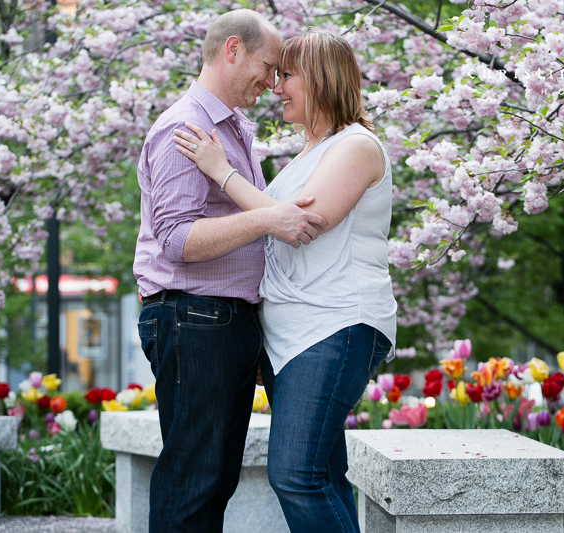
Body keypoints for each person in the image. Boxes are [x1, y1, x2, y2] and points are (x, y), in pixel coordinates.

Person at [172, 30, 397, 533]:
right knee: (321, 475)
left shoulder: (357, 146)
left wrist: (222, 172)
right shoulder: (308, 155)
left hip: (335, 325)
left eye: (287, 75)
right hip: (291, 335)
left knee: (296, 475)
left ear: (319, 79)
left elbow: (300, 224)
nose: (276, 86)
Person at [133, 10, 326, 532]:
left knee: (214, 482)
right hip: (194, 319)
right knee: (193, 483)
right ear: (233, 50)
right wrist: (269, 219)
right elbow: (175, 241)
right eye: (268, 66)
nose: (273, 81)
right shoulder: (185, 128)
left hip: (220, 322)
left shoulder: (230, 127)